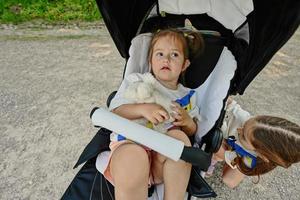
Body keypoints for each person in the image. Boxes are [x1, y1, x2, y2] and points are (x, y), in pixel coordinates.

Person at [101, 29, 204, 200]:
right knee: (133, 157)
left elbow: (194, 131)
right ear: (150, 60)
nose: (166, 59)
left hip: (160, 162)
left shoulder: (187, 96)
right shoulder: (136, 81)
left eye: (174, 55)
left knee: (180, 140)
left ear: (184, 65)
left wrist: (188, 123)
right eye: (160, 54)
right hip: (129, 145)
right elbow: (115, 112)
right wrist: (142, 109)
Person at [209, 98, 300, 188]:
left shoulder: (251, 160)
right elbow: (230, 103)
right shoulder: (247, 122)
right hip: (234, 144)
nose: (239, 130)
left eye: (244, 136)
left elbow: (228, 157)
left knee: (228, 179)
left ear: (261, 154)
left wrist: (221, 151)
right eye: (245, 124)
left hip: (238, 154)